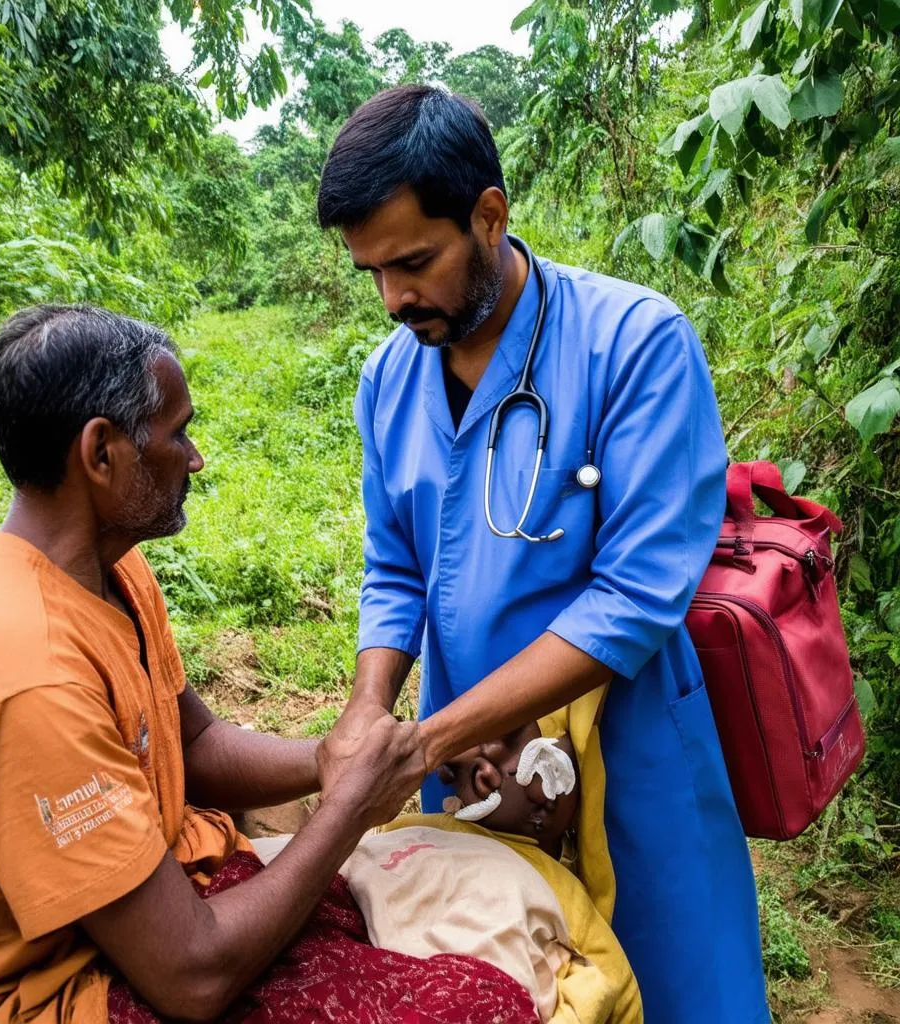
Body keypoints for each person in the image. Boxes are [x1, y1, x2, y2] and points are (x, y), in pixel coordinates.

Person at [0, 305, 538, 1024]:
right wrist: (350, 807)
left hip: (144, 924)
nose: (194, 458)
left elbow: (188, 745)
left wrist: (342, 757)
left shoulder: (108, 571)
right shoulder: (19, 675)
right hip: (54, 993)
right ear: (101, 455)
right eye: (178, 432)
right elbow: (191, 980)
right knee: (481, 1007)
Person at [315, 85, 770, 1022]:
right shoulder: (389, 379)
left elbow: (637, 598)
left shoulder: (635, 345)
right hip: (471, 760)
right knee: (508, 979)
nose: (395, 298)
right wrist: (372, 712)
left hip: (629, 749)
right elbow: (394, 567)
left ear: (489, 215)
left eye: (415, 262)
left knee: (683, 982)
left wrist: (427, 740)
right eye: (373, 272)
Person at [340, 716, 644, 1023]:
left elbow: (611, 979)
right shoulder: (407, 830)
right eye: (458, 768)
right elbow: (353, 857)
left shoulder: (556, 884)